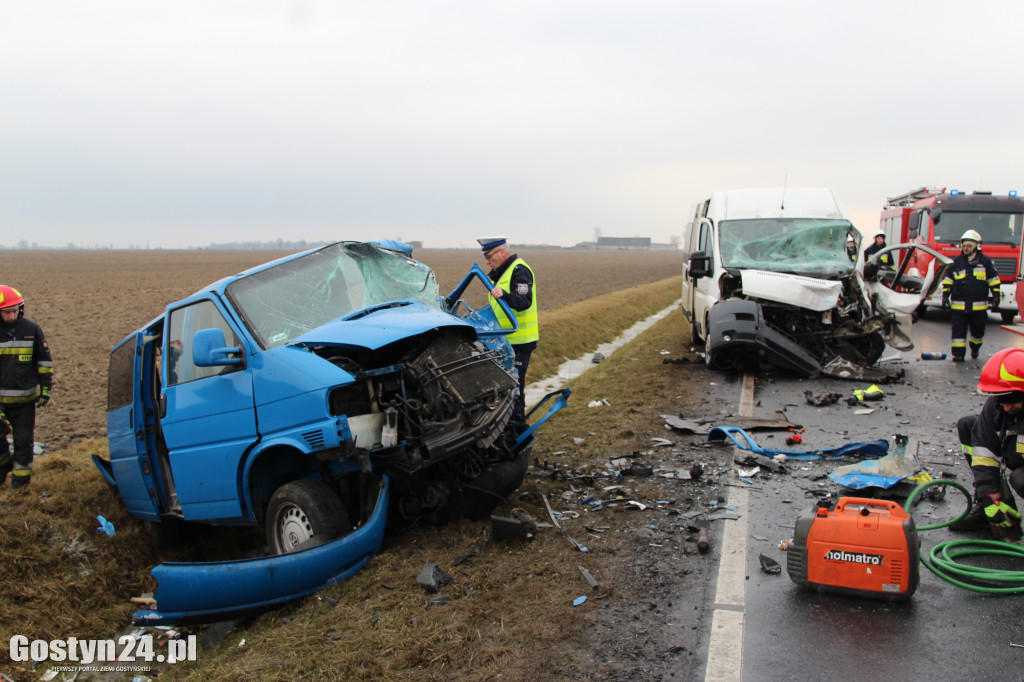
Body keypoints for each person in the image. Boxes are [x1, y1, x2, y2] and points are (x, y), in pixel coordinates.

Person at [950, 348, 1024, 532]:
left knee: (1021, 479)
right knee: (968, 426)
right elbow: (984, 455)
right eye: (1001, 400)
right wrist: (992, 499)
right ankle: (987, 512)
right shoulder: (997, 406)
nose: (1006, 408)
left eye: (1012, 400)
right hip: (1015, 453)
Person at [477, 237, 538, 433]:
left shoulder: (519, 270)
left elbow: (523, 300)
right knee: (505, 388)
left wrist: (505, 295)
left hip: (519, 341)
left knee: (515, 389)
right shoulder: (501, 274)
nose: (487, 261)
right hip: (504, 342)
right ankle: (506, 428)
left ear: (502, 252)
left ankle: (516, 432)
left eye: (489, 256)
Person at [0, 285, 53, 489]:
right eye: (7, 312)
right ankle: (3, 468)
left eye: (15, 310)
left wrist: (45, 388)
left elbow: (44, 360)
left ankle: (20, 486)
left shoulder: (31, 330)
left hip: (24, 402)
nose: (12, 315)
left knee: (23, 443)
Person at [940, 229, 1000, 362]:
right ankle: (958, 354)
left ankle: (975, 348)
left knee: (978, 332)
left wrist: (996, 296)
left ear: (977, 246)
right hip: (959, 308)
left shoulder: (985, 262)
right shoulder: (956, 262)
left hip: (979, 309)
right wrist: (945, 296)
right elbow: (948, 279)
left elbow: (993, 280)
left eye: (969, 246)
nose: (966, 248)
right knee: (958, 333)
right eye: (964, 246)